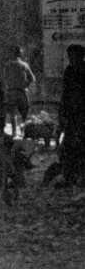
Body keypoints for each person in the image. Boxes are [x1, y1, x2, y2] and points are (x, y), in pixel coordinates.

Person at [58, 44, 85, 187]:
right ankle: (69, 176)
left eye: (74, 56)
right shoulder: (69, 71)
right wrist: (62, 114)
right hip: (71, 114)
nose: (72, 59)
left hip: (81, 115)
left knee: (80, 145)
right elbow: (65, 93)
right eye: (70, 56)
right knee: (68, 146)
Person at [2, 46, 36, 138]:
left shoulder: (7, 65)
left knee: (12, 114)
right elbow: (32, 78)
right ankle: (23, 132)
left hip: (11, 92)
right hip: (22, 92)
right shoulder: (24, 65)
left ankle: (14, 132)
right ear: (19, 54)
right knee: (24, 114)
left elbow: (4, 78)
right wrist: (25, 84)